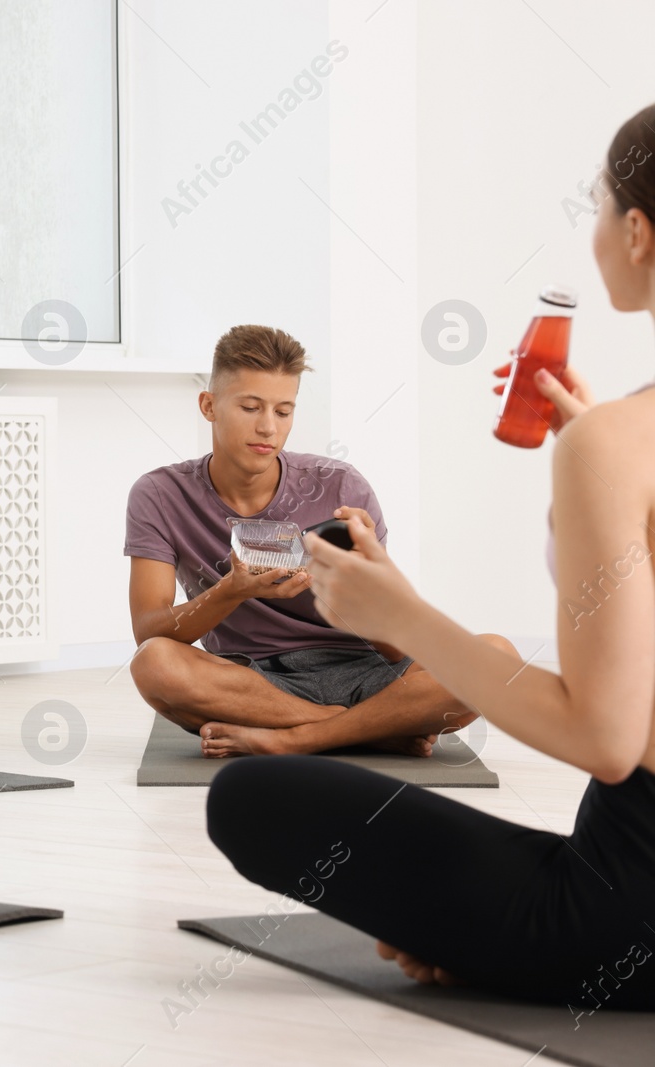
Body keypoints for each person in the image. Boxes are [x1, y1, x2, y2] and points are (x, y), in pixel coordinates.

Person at [208, 104, 655, 1009]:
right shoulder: (615, 443)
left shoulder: (618, 446)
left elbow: (608, 739)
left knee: (251, 799)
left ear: (638, 231)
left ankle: (501, 947)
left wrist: (394, 614)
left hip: (625, 914)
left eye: (602, 207)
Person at [125, 324, 515, 757]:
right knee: (154, 664)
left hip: (367, 672)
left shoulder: (342, 487)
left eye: (284, 411)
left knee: (496, 657)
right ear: (209, 405)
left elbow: (396, 647)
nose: (268, 428)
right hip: (253, 683)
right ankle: (368, 730)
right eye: (251, 407)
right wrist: (230, 592)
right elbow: (148, 631)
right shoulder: (159, 494)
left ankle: (297, 738)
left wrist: (361, 593)